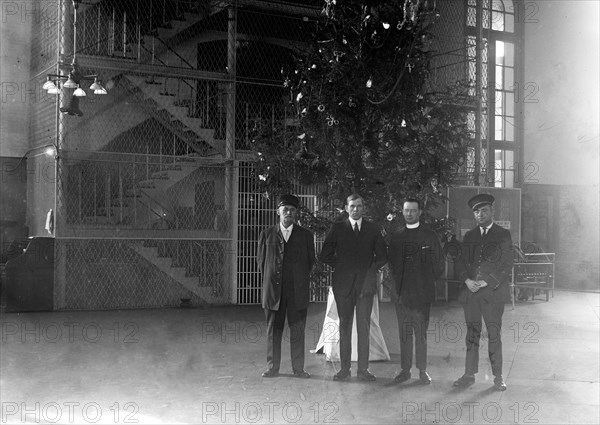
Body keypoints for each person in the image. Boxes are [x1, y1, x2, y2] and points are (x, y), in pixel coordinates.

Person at [319, 193, 388, 381]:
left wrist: (370, 270)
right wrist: (342, 266)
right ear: (346, 208)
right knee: (345, 328)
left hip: (365, 287)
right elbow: (324, 254)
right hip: (343, 287)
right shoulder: (338, 228)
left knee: (364, 328)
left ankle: (363, 370)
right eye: (352, 206)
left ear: (363, 208)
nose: (355, 209)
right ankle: (344, 369)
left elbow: (382, 256)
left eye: (359, 206)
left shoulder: (373, 229)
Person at [453, 193, 513, 391]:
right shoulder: (469, 236)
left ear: (492, 211)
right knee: (472, 334)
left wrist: (487, 282)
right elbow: (460, 262)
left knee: (494, 334)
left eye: (484, 210)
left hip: (493, 294)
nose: (480, 214)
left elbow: (507, 264)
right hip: (471, 294)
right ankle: (469, 374)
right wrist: (467, 280)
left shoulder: (503, 235)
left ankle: (497, 377)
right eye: (476, 211)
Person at [257, 194, 315, 378]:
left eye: (292, 210)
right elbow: (261, 262)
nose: (288, 213)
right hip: (274, 292)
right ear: (278, 212)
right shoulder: (266, 234)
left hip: (297, 292)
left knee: (297, 331)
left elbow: (310, 262)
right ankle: (273, 367)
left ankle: (298, 369)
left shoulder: (305, 236)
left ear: (296, 213)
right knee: (274, 330)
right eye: (285, 209)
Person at [389, 198, 444, 385]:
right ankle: (405, 370)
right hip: (402, 294)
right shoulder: (396, 236)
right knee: (404, 333)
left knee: (421, 333)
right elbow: (393, 265)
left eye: (413, 210)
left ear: (420, 212)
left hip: (422, 293)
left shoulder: (430, 236)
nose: (409, 214)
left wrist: (425, 281)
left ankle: (422, 370)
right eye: (406, 210)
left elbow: (439, 264)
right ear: (402, 212)